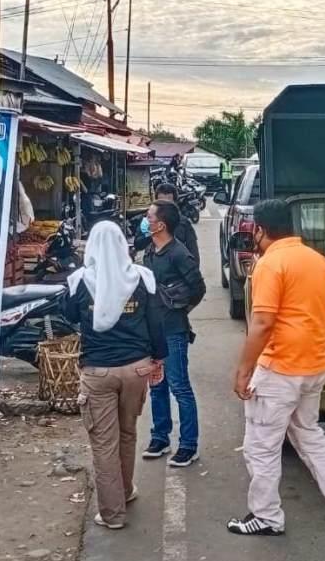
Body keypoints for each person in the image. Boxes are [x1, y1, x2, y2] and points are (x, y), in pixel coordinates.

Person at [227, 199, 325, 536]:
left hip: (281, 368)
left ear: (260, 229)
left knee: (262, 445)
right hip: (315, 365)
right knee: (309, 435)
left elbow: (261, 322)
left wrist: (244, 371)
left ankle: (266, 516)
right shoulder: (317, 261)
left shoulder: (270, 264)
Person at [66, 222, 167, 530]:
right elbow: (155, 325)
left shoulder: (79, 280)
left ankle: (112, 513)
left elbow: (69, 317)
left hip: (98, 372)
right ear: (123, 245)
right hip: (136, 370)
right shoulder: (142, 277)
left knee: (104, 443)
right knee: (127, 433)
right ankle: (124, 491)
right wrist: (158, 362)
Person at [142, 200, 207, 467]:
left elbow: (198, 288)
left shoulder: (179, 254)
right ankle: (160, 437)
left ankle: (189, 445)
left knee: (180, 387)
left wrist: (179, 309)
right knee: (157, 386)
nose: (145, 221)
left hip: (174, 331)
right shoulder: (149, 251)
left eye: (149, 217)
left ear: (161, 224)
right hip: (152, 333)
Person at [142, 183, 200, 262]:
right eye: (161, 203)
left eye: (168, 204)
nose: (164, 208)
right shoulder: (148, 223)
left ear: (175, 203)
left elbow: (194, 254)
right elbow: (139, 244)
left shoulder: (184, 223)